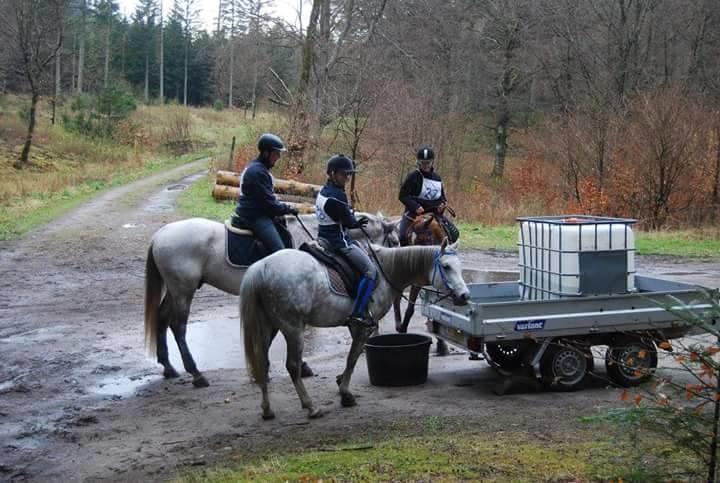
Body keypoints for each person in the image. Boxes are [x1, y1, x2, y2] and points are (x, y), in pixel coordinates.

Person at [315, 154, 377, 326]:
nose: (348, 178)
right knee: (370, 271)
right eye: (344, 174)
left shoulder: (324, 190)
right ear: (332, 174)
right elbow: (349, 223)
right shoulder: (337, 196)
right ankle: (357, 314)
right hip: (339, 242)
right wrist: (358, 222)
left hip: (323, 236)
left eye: (349, 174)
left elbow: (342, 216)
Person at [233, 133, 299, 253]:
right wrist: (289, 209)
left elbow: (266, 196)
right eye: (276, 153)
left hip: (254, 211)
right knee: (280, 251)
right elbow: (270, 205)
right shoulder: (258, 172)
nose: (278, 157)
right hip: (255, 217)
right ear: (266, 153)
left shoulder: (258, 168)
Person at [398, 145, 447, 246]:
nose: (425, 165)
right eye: (422, 163)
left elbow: (442, 198)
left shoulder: (437, 178)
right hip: (413, 214)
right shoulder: (413, 177)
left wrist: (442, 206)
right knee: (402, 236)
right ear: (418, 162)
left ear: (432, 162)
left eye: (427, 163)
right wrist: (415, 206)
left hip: (433, 214)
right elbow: (402, 196)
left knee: (453, 233)